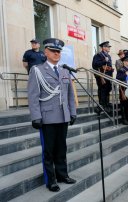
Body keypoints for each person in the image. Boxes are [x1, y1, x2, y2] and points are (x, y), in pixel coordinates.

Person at [27, 38, 77, 192]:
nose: (57, 54)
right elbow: (33, 95)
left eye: (59, 51)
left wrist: (72, 112)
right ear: (46, 52)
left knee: (61, 149)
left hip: (63, 116)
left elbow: (69, 94)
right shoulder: (37, 70)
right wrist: (36, 116)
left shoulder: (64, 71)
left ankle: (62, 175)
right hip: (47, 118)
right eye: (53, 51)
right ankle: (51, 180)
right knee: (48, 151)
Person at [92, 41, 114, 112]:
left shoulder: (109, 56)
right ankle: (102, 104)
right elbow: (95, 64)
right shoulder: (98, 55)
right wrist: (104, 61)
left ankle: (106, 103)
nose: (109, 48)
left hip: (108, 76)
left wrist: (111, 70)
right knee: (102, 89)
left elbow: (109, 65)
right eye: (108, 47)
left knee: (108, 89)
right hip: (101, 76)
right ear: (103, 47)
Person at [116, 52, 128, 125]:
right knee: (123, 104)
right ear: (124, 62)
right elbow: (118, 79)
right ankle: (124, 119)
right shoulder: (121, 70)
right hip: (123, 89)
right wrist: (125, 76)